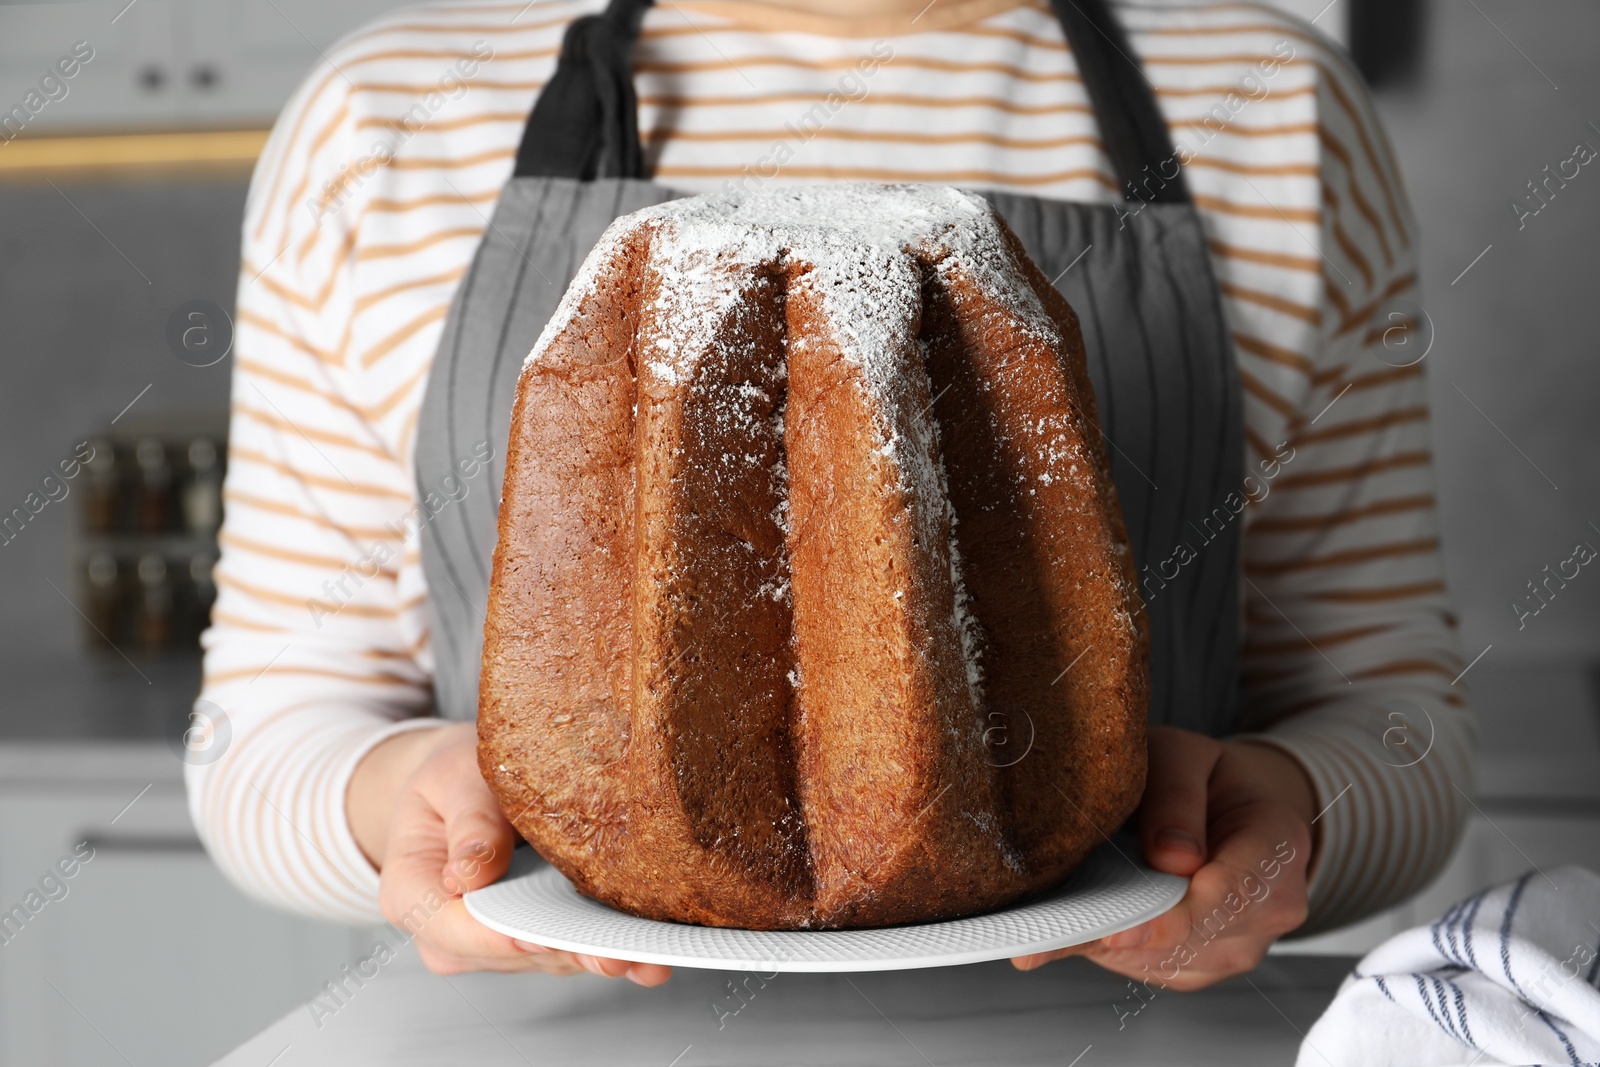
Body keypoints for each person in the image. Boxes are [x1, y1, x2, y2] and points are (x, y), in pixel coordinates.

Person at [187, 0, 1474, 990]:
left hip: (1107, 1028)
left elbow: (1395, 715)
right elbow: (254, 735)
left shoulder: (1266, 100)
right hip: (545, 1036)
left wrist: (1293, 813)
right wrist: (398, 791)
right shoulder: (388, 115)